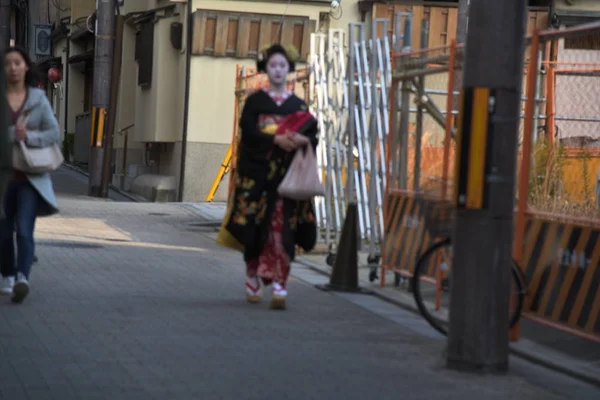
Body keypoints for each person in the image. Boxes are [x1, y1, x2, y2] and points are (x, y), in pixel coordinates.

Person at [217, 44, 319, 310]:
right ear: (265, 68)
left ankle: (280, 284)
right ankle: (252, 275)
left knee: (284, 231)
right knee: (255, 229)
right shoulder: (255, 101)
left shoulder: (298, 105)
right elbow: (248, 134)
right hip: (259, 179)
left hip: (286, 182)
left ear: (289, 70)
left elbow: (312, 135)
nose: (277, 70)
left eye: (282, 65)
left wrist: (298, 140)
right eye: (272, 65)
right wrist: (275, 138)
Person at [0, 46, 59, 303]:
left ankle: (23, 278)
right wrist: (14, 134)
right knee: (3, 234)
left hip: (30, 179)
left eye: (17, 62)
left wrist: (30, 137)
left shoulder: (38, 99)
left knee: (24, 231)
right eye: (7, 64)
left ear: (25, 67)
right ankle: (8, 275)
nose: (13, 68)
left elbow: (53, 132)